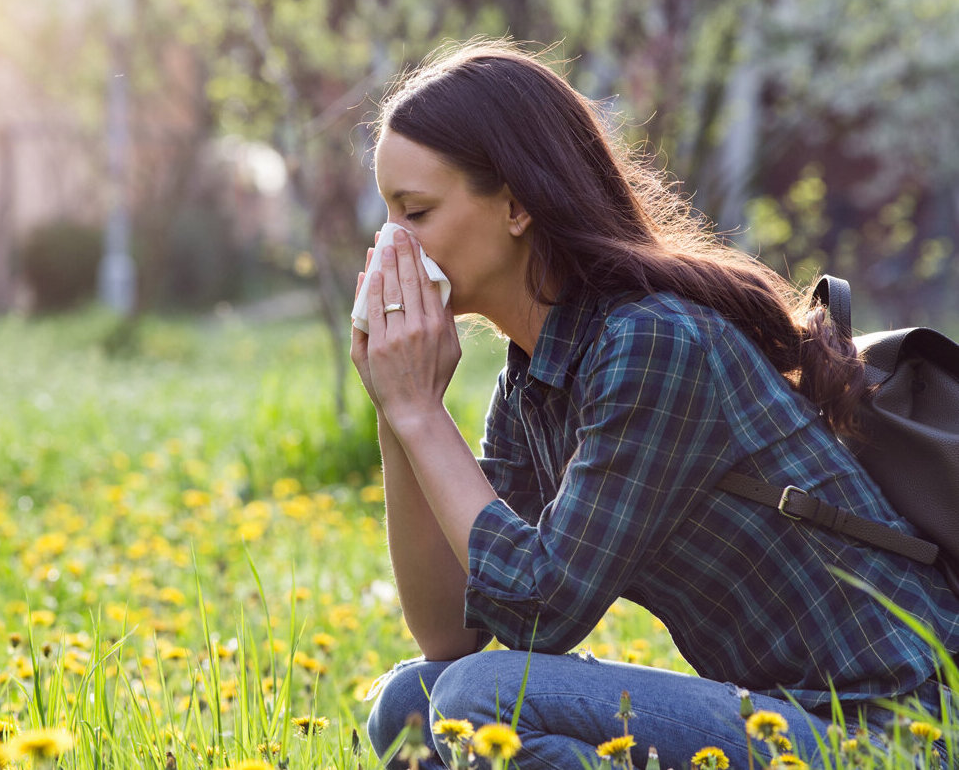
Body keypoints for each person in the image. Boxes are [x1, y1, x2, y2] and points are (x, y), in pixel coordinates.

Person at [349, 39, 959, 770]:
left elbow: (542, 611)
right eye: (388, 215)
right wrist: (398, 412)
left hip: (898, 733)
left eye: (415, 211)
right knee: (411, 705)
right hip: (782, 717)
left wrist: (422, 413)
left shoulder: (652, 343)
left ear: (515, 205)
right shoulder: (535, 381)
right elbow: (451, 632)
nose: (392, 244)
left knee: (479, 700)